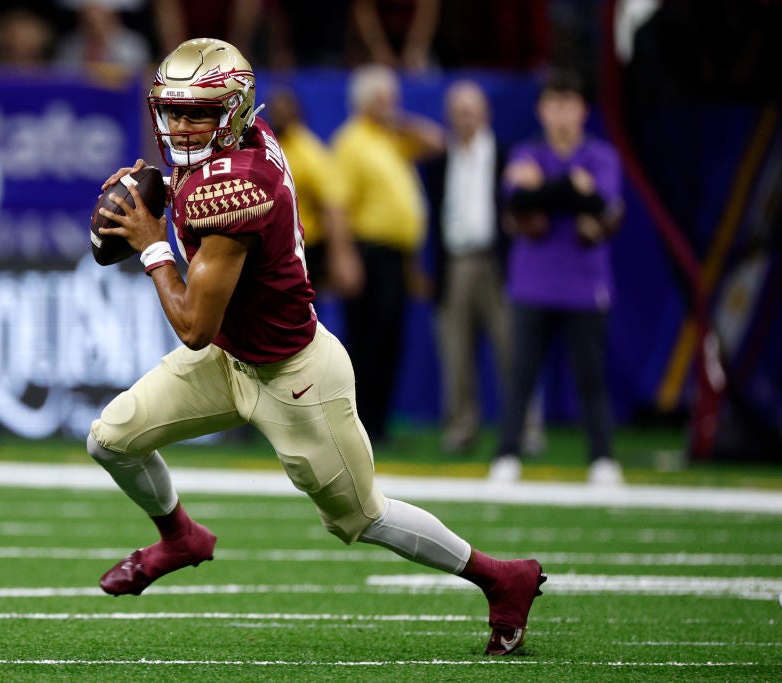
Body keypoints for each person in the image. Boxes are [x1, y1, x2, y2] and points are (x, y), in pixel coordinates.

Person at [89, 37, 546, 656]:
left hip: (293, 376)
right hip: (230, 357)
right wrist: (164, 192)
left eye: (199, 112)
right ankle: (180, 538)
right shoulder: (244, 139)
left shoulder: (237, 187)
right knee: (111, 438)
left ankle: (501, 578)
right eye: (173, 111)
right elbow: (205, 196)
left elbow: (193, 325)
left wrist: (151, 244)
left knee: (362, 517)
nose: (182, 126)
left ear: (234, 111)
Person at [489, 71, 624, 486]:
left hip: (585, 284)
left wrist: (544, 191)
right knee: (522, 373)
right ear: (541, 111)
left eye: (569, 106)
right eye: (554, 106)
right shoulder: (526, 152)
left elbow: (602, 205)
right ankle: (507, 454)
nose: (562, 115)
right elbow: (516, 201)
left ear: (583, 111)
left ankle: (602, 458)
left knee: (591, 375)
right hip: (533, 283)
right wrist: (569, 188)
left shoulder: (601, 156)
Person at [421, 80, 545, 455]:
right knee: (455, 353)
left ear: (486, 113)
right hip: (455, 263)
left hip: (498, 262)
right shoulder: (438, 161)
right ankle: (461, 428)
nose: (465, 117)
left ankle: (526, 429)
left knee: (513, 349)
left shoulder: (508, 158)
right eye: (458, 110)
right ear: (449, 116)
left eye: (471, 109)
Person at [331, 64, 444, 442]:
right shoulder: (351, 142)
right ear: (366, 101)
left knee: (390, 339)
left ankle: (377, 423)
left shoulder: (393, 138)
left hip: (396, 257)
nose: (393, 104)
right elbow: (338, 205)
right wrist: (344, 257)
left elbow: (436, 142)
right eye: (385, 98)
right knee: (367, 339)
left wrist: (397, 120)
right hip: (368, 253)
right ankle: (359, 423)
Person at [265, 88, 362, 298]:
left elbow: (333, 205)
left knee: (297, 308)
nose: (278, 116)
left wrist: (340, 256)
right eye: (275, 111)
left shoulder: (309, 153)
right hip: (272, 248)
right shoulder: (270, 147)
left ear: (296, 114)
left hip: (303, 250)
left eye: (283, 112)